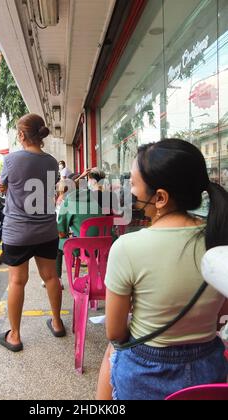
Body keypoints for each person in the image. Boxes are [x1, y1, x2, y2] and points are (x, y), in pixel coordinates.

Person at [96, 138, 228, 400]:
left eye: (133, 185)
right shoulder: (219, 239)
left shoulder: (127, 247)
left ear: (160, 198)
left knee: (111, 351)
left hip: (144, 371)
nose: (129, 192)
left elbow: (115, 332)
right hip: (210, 369)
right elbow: (221, 313)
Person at [0, 113, 66, 352]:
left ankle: (15, 336)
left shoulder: (11, 160)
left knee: (17, 281)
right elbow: (51, 192)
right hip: (46, 230)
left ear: (21, 135)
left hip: (17, 231)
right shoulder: (50, 162)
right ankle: (57, 323)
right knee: (51, 277)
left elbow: (2, 187)